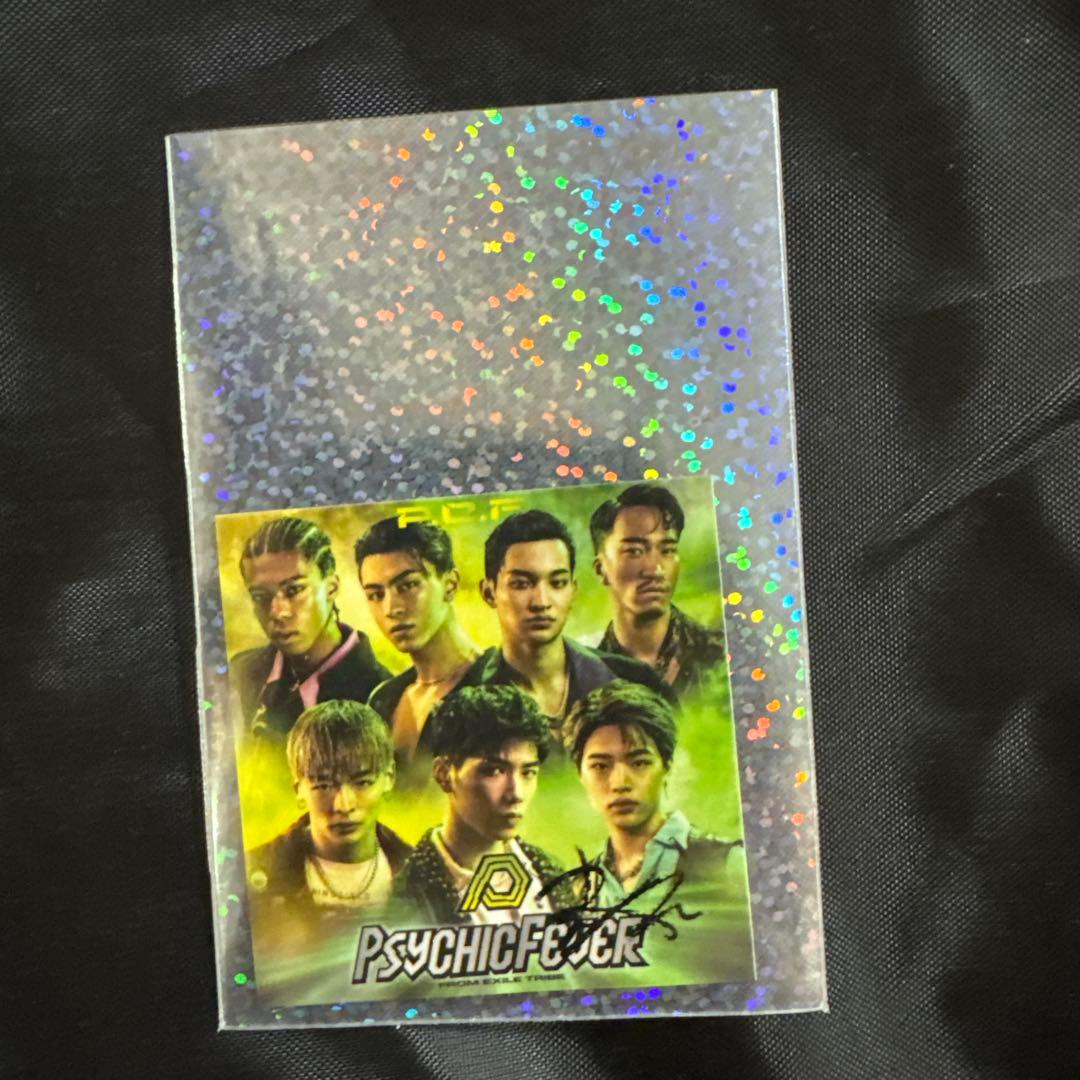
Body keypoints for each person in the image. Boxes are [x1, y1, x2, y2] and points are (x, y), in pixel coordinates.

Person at [466, 509, 673, 739]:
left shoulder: (637, 683)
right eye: (522, 584)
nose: (541, 602)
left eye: (557, 583)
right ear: (489, 593)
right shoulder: (464, 703)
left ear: (573, 591)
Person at [393, 685, 574, 924]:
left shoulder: (550, 874)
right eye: (494, 771)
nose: (515, 793)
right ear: (444, 774)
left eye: (528, 773)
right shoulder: (406, 895)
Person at [562, 679, 745, 910]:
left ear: (667, 766)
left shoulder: (729, 864)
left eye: (639, 763)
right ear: (581, 775)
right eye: (600, 766)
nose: (620, 783)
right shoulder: (580, 888)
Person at [246, 700, 411, 928]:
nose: (344, 805)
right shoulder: (252, 874)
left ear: (389, 778)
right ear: (299, 789)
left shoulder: (423, 873)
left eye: (362, 782)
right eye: (324, 786)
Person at [231, 516, 390, 741]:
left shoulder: (382, 698)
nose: (278, 612)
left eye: (294, 590)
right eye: (260, 596)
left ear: (331, 588)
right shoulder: (240, 672)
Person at [355, 517, 481, 765]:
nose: (391, 609)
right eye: (376, 595)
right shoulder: (382, 700)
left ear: (450, 585)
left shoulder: (497, 683)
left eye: (408, 585)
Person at [590, 484, 726, 696]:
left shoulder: (722, 656)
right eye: (635, 551)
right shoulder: (588, 682)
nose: (656, 570)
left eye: (668, 550)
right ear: (601, 569)